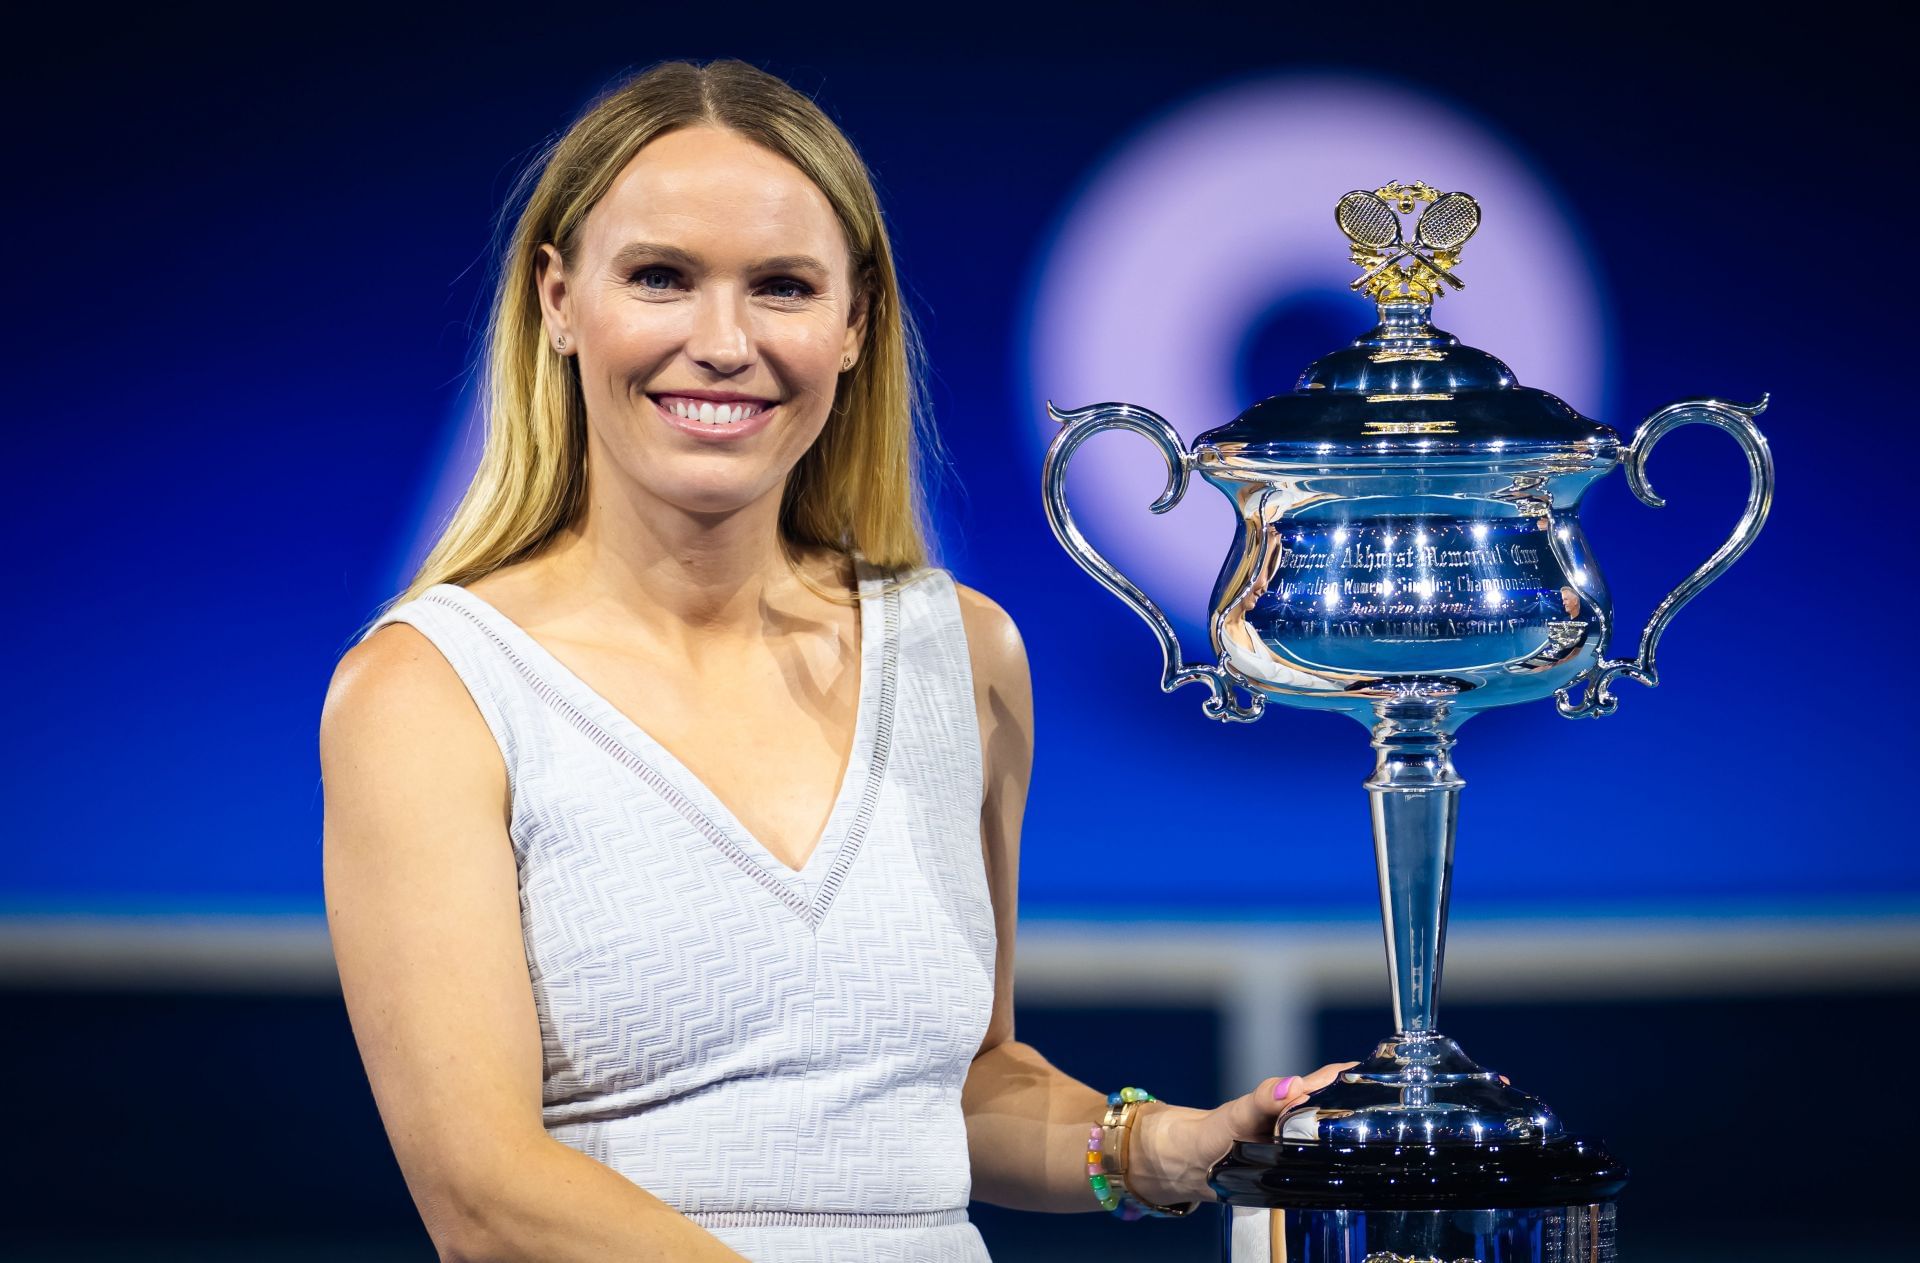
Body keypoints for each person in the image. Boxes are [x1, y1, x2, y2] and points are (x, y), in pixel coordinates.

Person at [319, 58, 1349, 1262]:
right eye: (660, 277)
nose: (722, 341)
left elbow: (953, 1092)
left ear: (855, 324)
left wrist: (1154, 1150)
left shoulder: (964, 653)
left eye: (783, 288)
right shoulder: (429, 691)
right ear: (557, 300)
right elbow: (485, 1198)